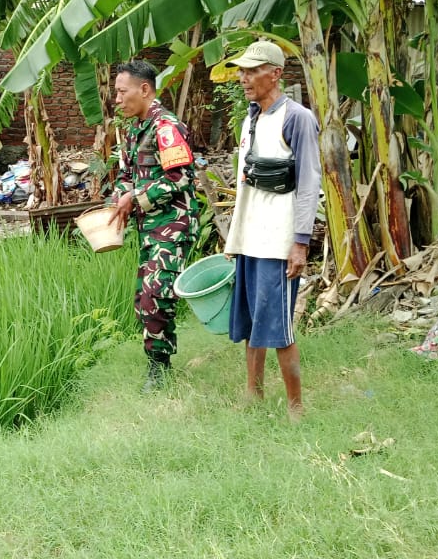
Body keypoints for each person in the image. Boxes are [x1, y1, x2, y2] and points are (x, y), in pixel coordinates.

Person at [221, 41, 322, 420]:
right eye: (241, 71)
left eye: (252, 70)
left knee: (279, 327)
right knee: (250, 320)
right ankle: (253, 394)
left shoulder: (297, 118)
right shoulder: (251, 118)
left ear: (276, 73)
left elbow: (309, 184)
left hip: (278, 241)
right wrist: (235, 236)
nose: (243, 78)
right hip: (250, 236)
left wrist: (300, 243)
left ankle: (296, 409)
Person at [106, 60, 200, 393]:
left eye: (122, 91)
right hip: (150, 226)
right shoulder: (134, 129)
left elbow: (181, 177)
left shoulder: (165, 127)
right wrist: (121, 197)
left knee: (155, 295)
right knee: (144, 296)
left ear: (144, 89)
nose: (117, 99)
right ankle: (158, 363)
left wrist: (137, 197)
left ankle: (159, 369)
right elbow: (126, 175)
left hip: (174, 223)